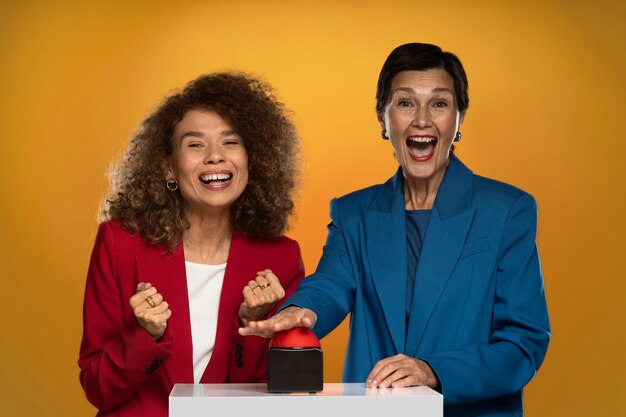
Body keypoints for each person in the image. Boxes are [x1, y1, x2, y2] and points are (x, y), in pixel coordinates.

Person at [240, 43, 550, 416]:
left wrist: (433, 371)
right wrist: (301, 310)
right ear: (383, 119)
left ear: (460, 118)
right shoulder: (353, 212)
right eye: (405, 103)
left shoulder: (506, 210)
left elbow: (522, 344)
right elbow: (331, 285)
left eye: (439, 103)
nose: (422, 120)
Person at [79, 72, 304, 417]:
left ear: (251, 160)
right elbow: (98, 389)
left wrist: (253, 325)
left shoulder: (281, 258)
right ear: (169, 168)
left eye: (231, 142)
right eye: (195, 144)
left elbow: (281, 393)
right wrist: (145, 336)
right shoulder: (119, 243)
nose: (215, 156)